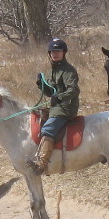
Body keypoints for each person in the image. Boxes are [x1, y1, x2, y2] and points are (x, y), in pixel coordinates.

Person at [27, 38, 80, 175]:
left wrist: (60, 97)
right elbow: (50, 92)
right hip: (56, 106)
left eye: (58, 51)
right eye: (52, 51)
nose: (55, 54)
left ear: (64, 52)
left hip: (66, 108)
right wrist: (41, 84)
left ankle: (41, 164)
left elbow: (74, 90)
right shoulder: (51, 71)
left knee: (48, 128)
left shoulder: (68, 70)